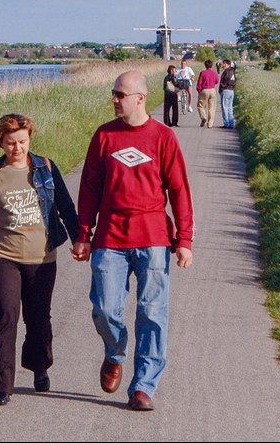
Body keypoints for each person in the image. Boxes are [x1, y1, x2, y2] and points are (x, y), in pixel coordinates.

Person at [71, 71, 194, 412]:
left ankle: (143, 386)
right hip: (109, 237)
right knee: (105, 308)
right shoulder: (104, 136)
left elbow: (179, 190)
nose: (114, 99)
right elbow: (89, 189)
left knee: (152, 313)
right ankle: (115, 352)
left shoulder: (163, 137)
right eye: (113, 93)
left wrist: (184, 239)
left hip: (153, 237)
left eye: (120, 94)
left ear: (140, 98)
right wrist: (83, 235)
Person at [0, 113, 79, 406]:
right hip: (2, 255)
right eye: (10, 143)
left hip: (42, 256)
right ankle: (1, 386)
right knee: (5, 316)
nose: (17, 148)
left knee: (38, 319)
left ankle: (39, 366)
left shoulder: (46, 168)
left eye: (22, 142)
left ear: (29, 139)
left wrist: (80, 240)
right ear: (1, 143)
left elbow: (65, 206)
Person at [195, 60, 220, 128]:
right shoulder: (214, 73)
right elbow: (217, 81)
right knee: (212, 107)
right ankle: (210, 124)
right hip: (212, 90)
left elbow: (199, 83)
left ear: (205, 65)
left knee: (201, 106)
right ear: (212, 66)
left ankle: (203, 117)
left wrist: (199, 90)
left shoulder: (202, 73)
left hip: (204, 90)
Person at [218, 59, 237, 129]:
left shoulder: (226, 72)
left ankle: (226, 123)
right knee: (230, 107)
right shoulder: (233, 72)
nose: (223, 65)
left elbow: (223, 82)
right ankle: (231, 123)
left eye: (224, 64)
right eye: (223, 64)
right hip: (231, 90)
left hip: (226, 90)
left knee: (225, 107)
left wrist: (221, 89)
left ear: (228, 65)